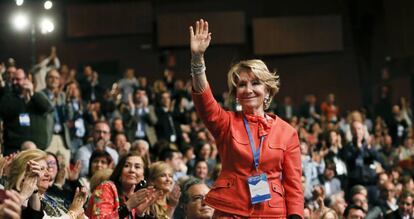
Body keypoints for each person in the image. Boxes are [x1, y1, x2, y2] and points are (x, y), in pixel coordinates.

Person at [189, 19, 303, 218]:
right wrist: (198, 60)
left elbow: (294, 185)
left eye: (256, 83)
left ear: (267, 89)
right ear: (236, 93)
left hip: (273, 213)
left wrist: (295, 216)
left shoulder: (287, 132)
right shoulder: (226, 123)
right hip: (229, 210)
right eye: (242, 85)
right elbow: (204, 99)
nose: (248, 90)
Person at [86, 152, 159, 219]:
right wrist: (128, 206)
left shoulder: (139, 196)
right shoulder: (106, 187)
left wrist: (140, 215)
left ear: (143, 175)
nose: (132, 170)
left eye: (137, 167)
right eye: (127, 166)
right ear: (120, 171)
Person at [0, 69, 53, 155]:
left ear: (27, 79)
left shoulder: (37, 95)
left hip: (38, 148)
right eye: (13, 79)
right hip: (14, 149)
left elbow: (47, 108)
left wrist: (32, 94)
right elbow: (4, 111)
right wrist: (23, 99)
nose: (14, 82)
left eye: (18, 79)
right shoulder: (8, 97)